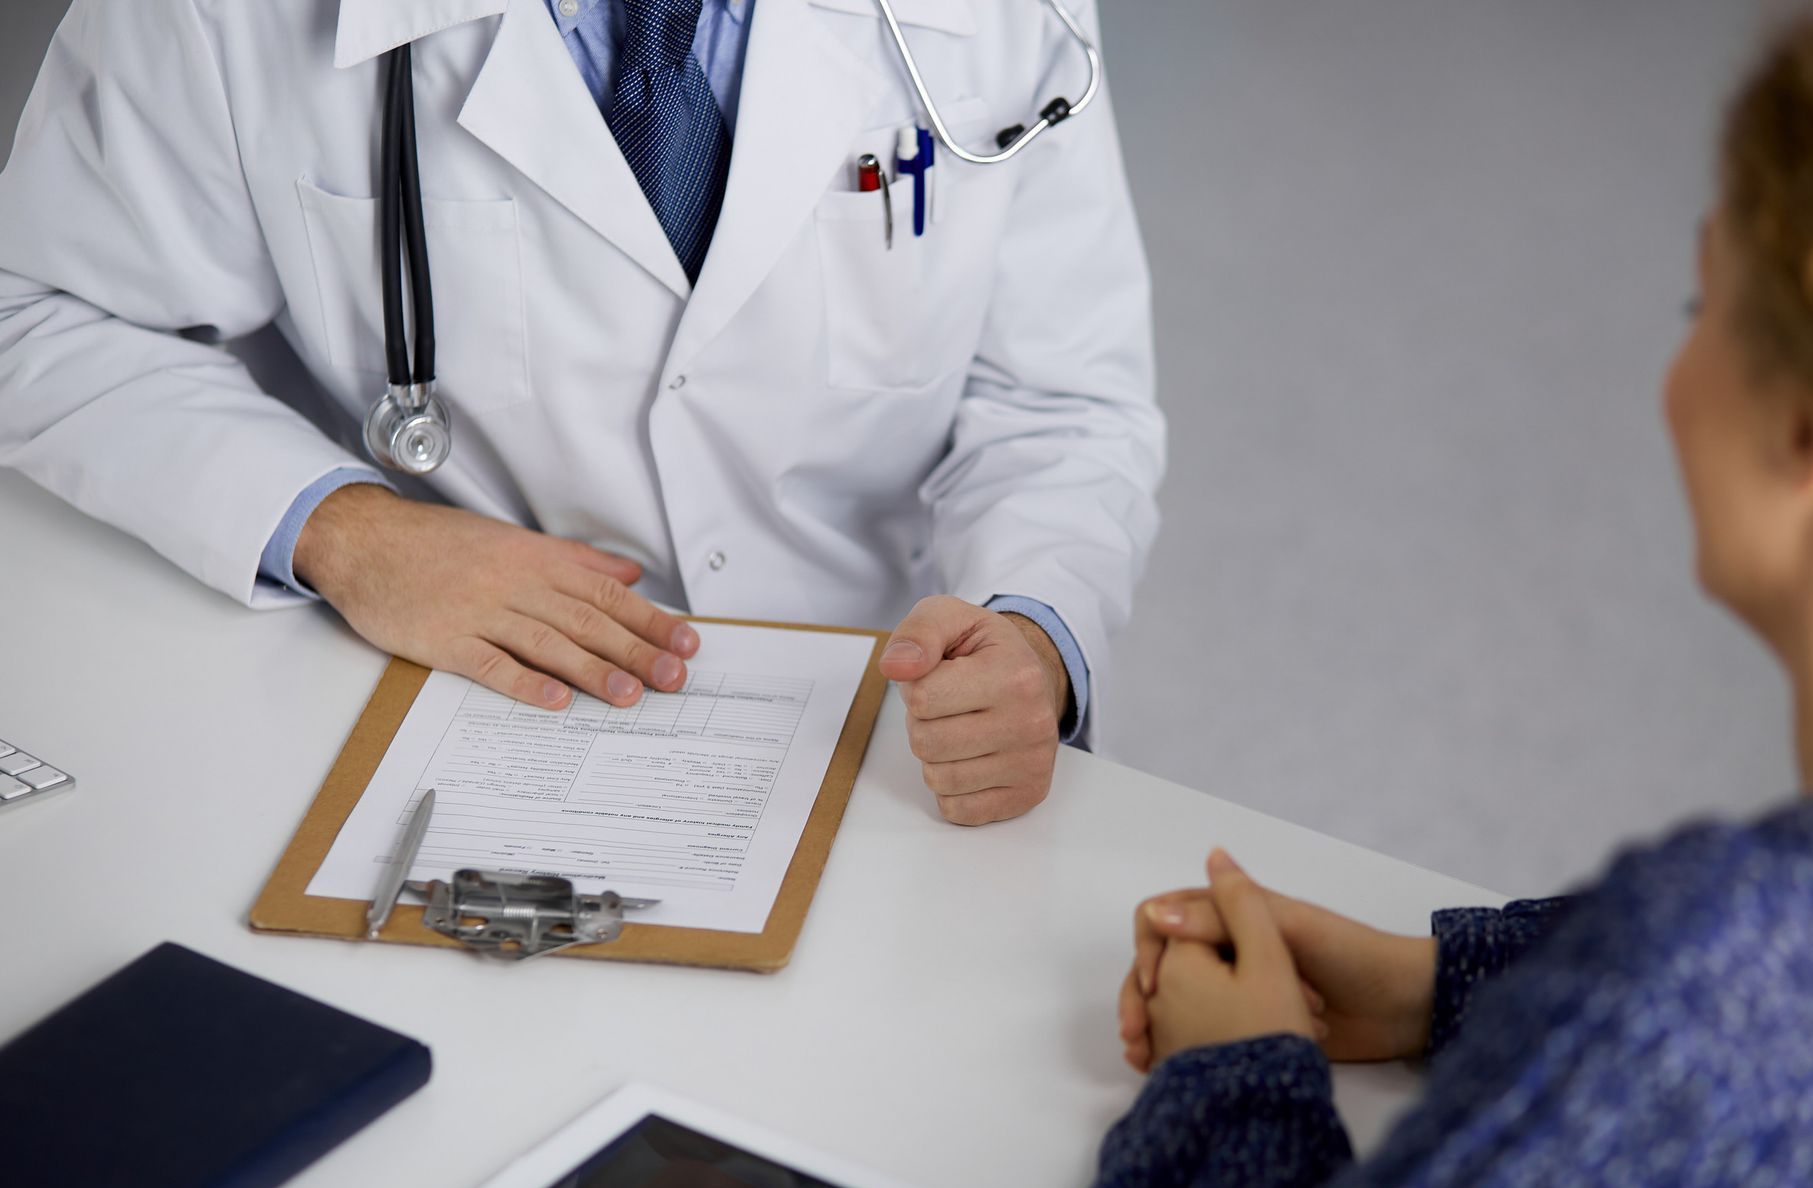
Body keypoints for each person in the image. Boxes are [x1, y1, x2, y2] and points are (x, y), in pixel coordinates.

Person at [1084, 13, 1813, 1188]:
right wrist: (1453, 981)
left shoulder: (1710, 983)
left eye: (1705, 303)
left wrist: (1236, 1076)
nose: (1674, 370)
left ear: (1812, 437)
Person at [0, 0, 1164, 826]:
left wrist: (1033, 634)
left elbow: (1059, 398)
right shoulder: (224, 18)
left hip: (871, 722)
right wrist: (347, 532)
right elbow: (36, 306)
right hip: (428, 692)